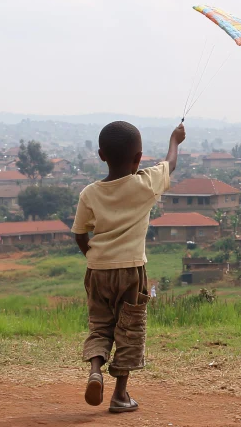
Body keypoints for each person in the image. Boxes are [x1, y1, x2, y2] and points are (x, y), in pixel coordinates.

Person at [72, 121, 185, 413]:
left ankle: (95, 370)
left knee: (100, 325)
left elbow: (80, 234)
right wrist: (175, 139)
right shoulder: (144, 184)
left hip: (97, 271)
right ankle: (120, 395)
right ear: (138, 158)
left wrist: (93, 258)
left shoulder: (89, 193)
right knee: (130, 328)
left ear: (100, 155)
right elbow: (170, 164)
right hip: (131, 270)